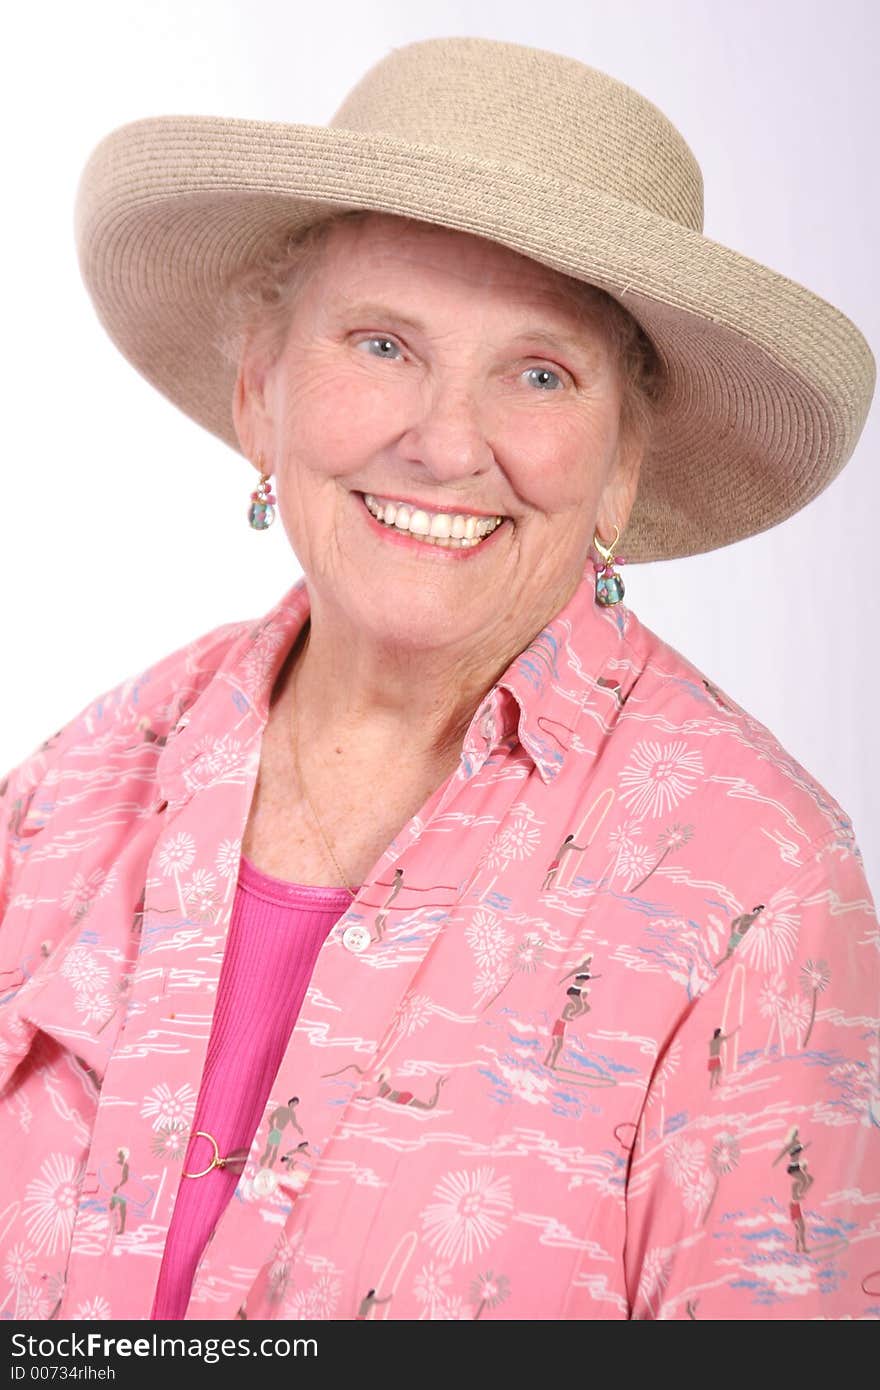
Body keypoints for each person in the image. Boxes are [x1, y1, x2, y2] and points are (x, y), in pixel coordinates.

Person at [0, 35, 877, 1322]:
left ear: (621, 470)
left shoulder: (759, 887)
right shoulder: (73, 791)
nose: (446, 441)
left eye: (537, 373)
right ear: (262, 394)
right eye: (381, 344)